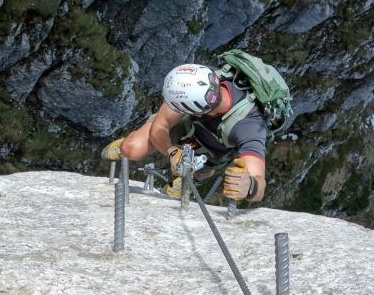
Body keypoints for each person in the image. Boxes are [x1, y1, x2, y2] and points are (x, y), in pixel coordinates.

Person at [101, 63, 267, 202]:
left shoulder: (248, 128)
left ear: (198, 113)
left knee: (201, 172)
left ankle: (197, 177)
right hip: (187, 126)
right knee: (132, 148)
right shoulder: (199, 80)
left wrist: (250, 186)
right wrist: (171, 152)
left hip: (214, 149)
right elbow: (160, 126)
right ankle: (125, 146)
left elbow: (259, 183)